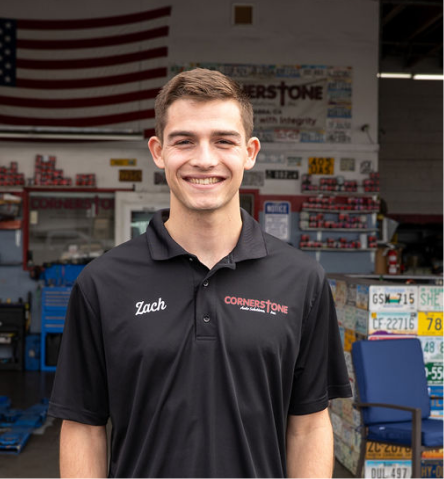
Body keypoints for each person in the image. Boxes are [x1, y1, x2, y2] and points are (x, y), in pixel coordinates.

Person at [49, 68, 352, 479]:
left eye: (224, 141)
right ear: (158, 151)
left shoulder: (302, 280)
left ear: (250, 151)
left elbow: (309, 425)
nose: (204, 159)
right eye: (184, 141)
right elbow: (84, 428)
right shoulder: (102, 283)